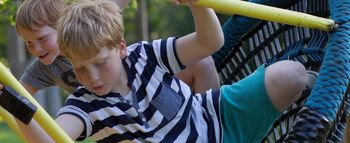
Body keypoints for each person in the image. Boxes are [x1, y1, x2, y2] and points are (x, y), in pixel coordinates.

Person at [1, 0, 310, 143]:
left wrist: (196, 5)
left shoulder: (145, 54)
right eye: (80, 67)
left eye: (100, 62)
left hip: (220, 116)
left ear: (120, 48)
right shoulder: (85, 106)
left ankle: (322, 95)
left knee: (292, 75)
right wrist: (11, 103)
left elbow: (209, 43)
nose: (92, 76)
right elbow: (48, 142)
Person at [15, 0, 219, 96]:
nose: (36, 48)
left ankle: (209, 125)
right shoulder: (43, 69)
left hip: (141, 85)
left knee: (202, 63)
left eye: (41, 38)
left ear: (62, 25)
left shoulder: (87, 23)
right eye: (28, 42)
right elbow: (18, 94)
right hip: (117, 114)